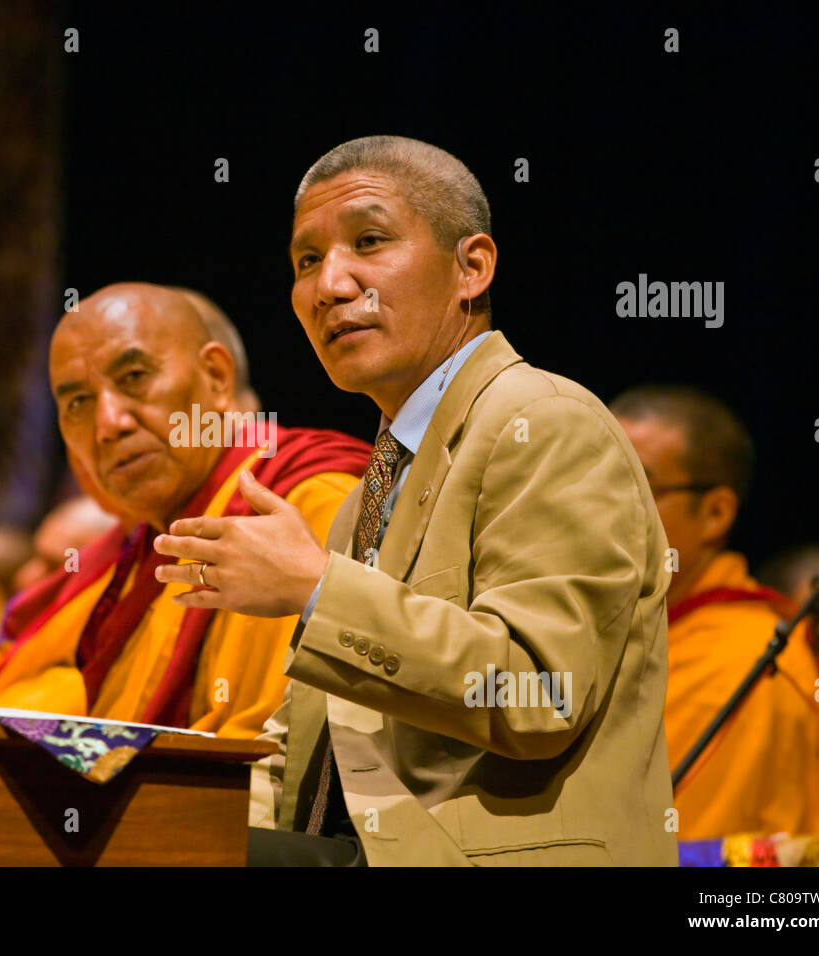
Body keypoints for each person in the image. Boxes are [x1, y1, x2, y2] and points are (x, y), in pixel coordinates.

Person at [155, 135, 676, 865]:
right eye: (307, 261)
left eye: (369, 241)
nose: (331, 285)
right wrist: (142, 805)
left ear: (472, 267)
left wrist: (314, 590)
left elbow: (538, 692)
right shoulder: (377, 481)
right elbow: (318, 753)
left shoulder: (544, 420)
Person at [0, 283, 369, 738]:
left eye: (135, 378)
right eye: (78, 402)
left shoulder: (306, 502)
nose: (108, 425)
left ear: (218, 377)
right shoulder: (144, 549)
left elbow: (291, 750)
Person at [612, 385, 819, 837]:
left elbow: (676, 850)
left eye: (635, 483)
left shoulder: (742, 661)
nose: (598, 506)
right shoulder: (641, 627)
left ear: (715, 513)